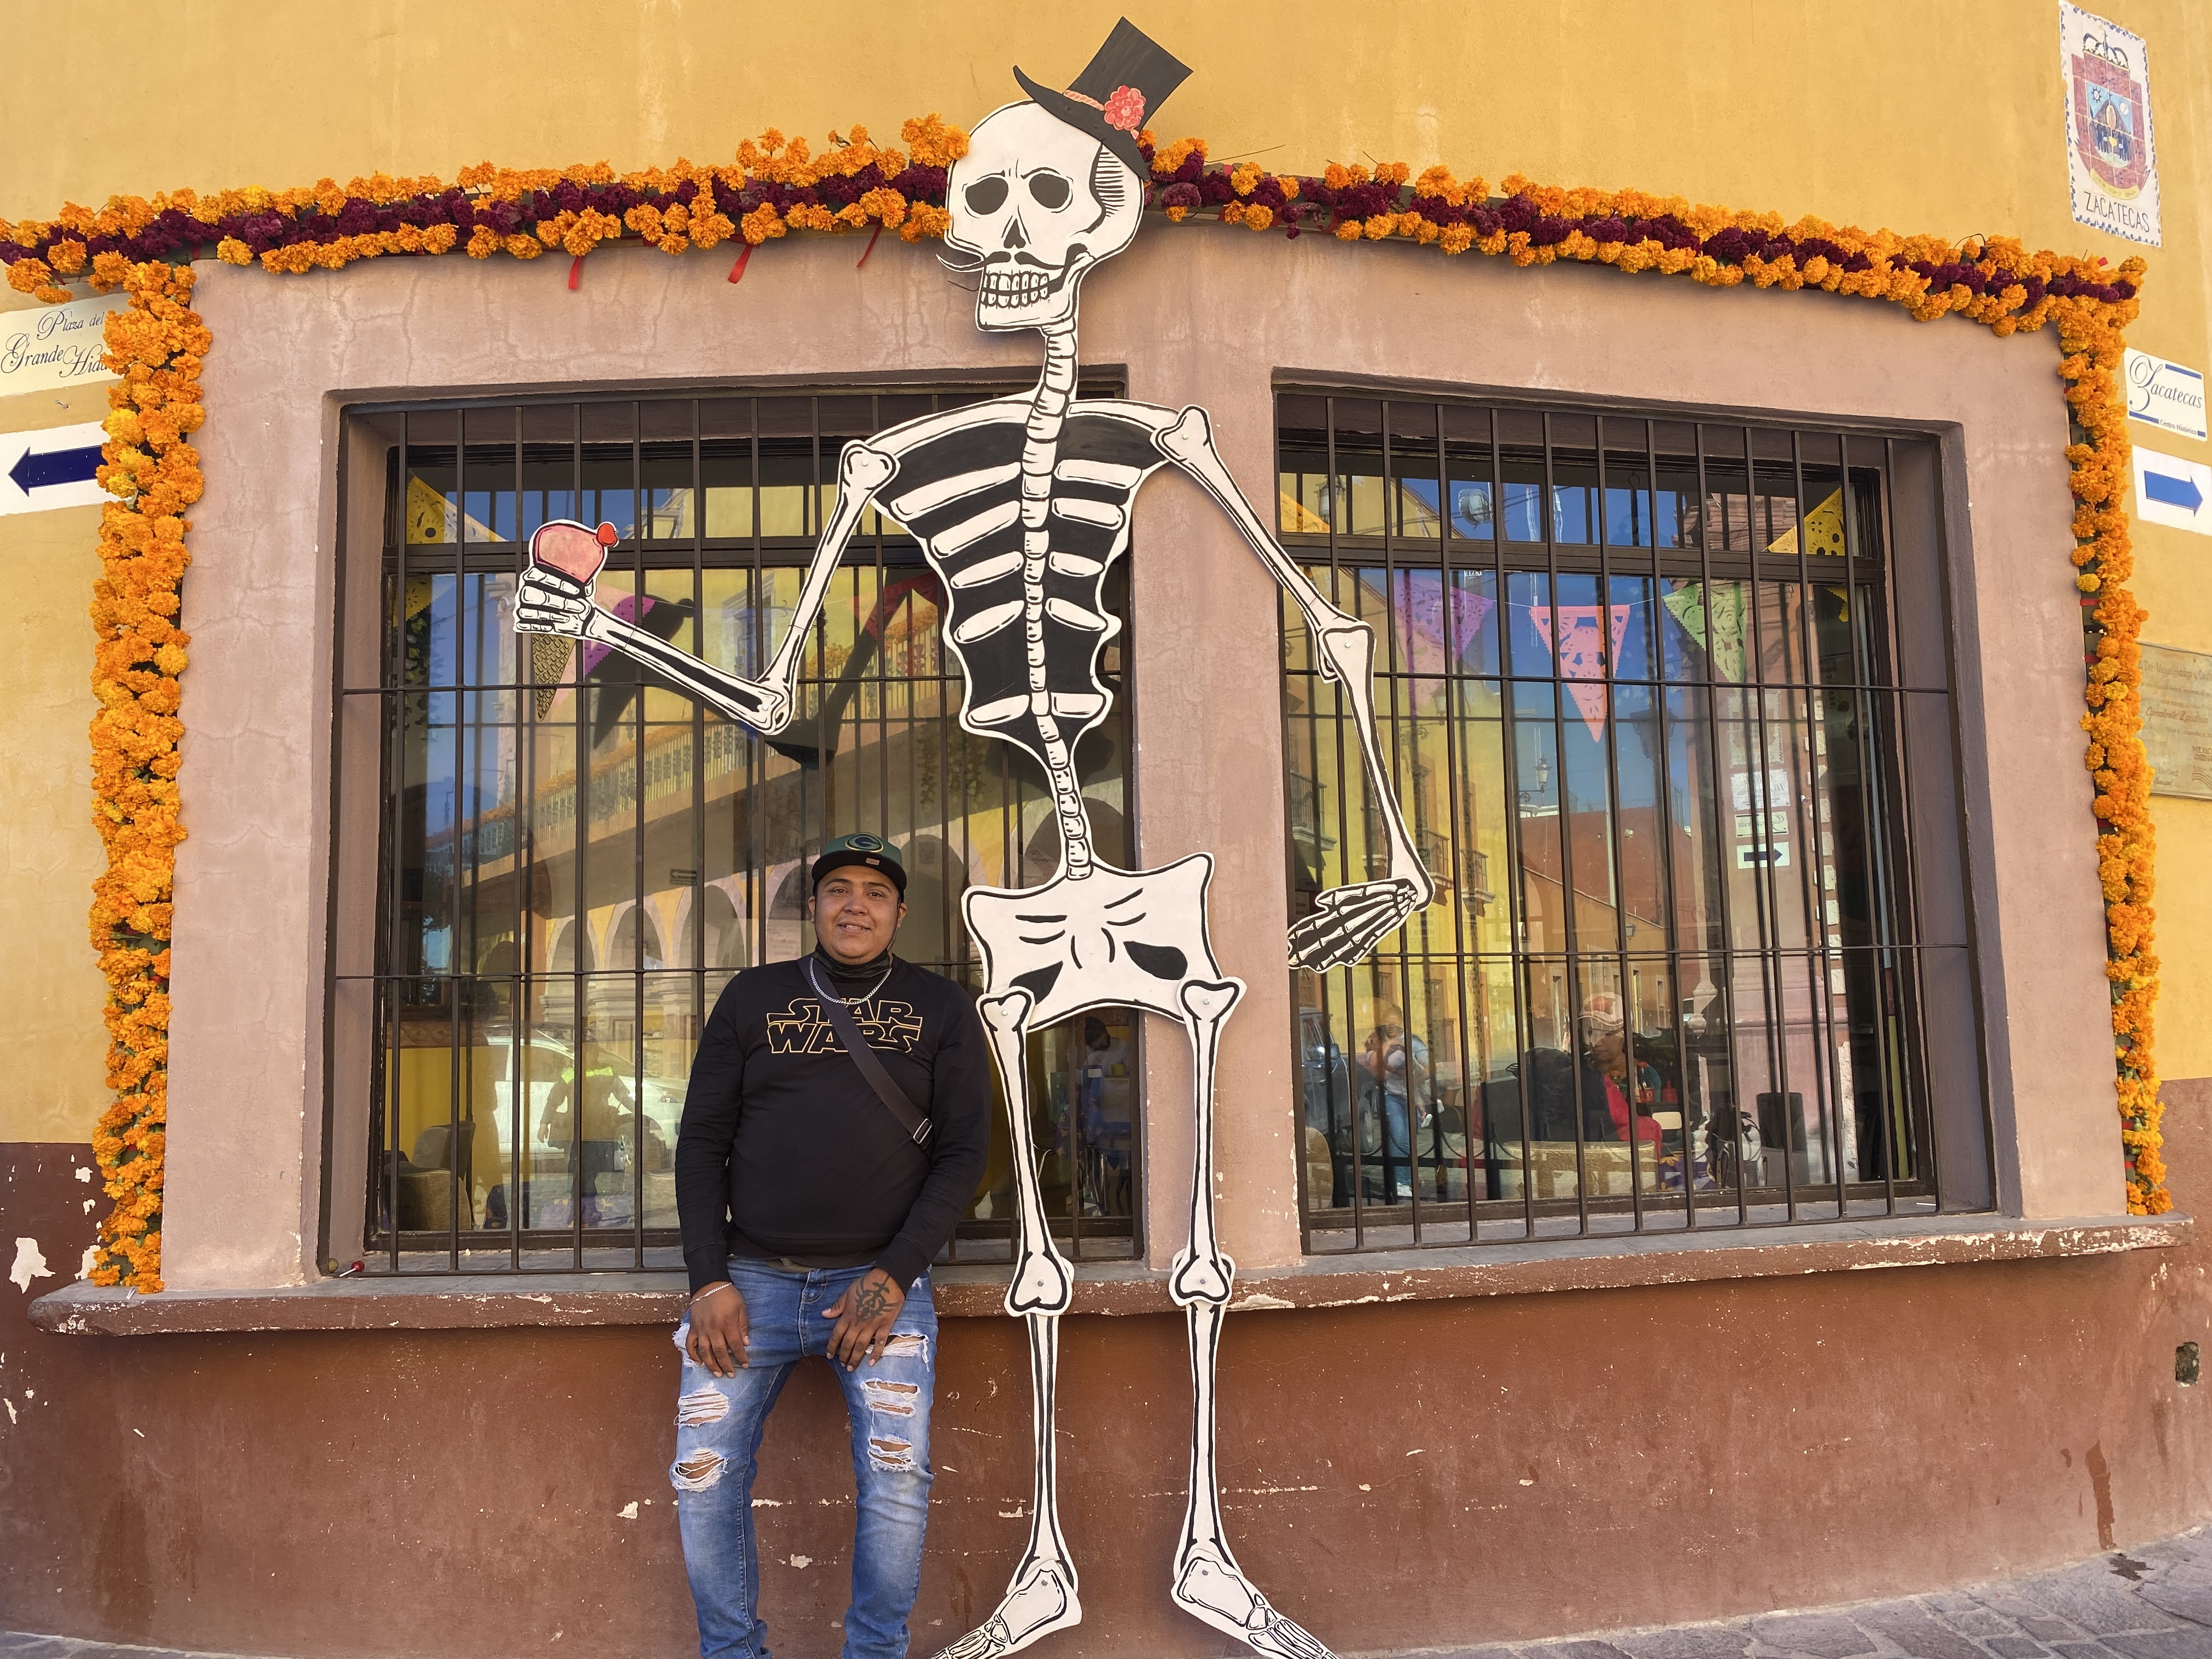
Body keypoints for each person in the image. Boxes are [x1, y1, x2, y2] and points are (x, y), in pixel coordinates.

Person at [670, 833, 992, 1659]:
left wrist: (893, 1275)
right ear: (813, 906)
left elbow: (965, 1154)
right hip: (750, 1282)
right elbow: (702, 1140)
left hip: (881, 1285)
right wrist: (707, 1279)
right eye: (838, 889)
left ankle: (875, 1654)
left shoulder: (942, 1007)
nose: (856, 904)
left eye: (875, 893)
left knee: (896, 1484)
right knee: (704, 1481)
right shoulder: (752, 997)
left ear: (901, 911)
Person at [1357, 1005, 1432, 1202]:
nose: (1391, 1025)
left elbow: (1428, 1067)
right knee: (1398, 1136)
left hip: (1411, 1095)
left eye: (1395, 1021)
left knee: (1408, 1137)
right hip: (1390, 1095)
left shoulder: (1414, 1042)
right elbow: (1377, 1070)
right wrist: (1388, 1044)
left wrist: (1414, 1081)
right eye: (1387, 1021)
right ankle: (1402, 1183)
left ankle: (1408, 1179)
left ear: (1401, 1021)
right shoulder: (1380, 1042)